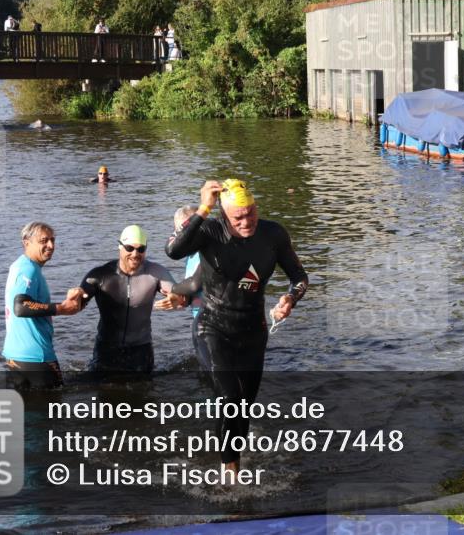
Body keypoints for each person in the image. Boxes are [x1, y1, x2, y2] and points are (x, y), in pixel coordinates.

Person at [164, 178, 308, 479]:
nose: (247, 222)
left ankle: (235, 456)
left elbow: (299, 277)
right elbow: (173, 251)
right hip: (212, 326)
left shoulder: (273, 234)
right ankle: (229, 473)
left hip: (253, 331)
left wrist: (289, 299)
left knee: (244, 406)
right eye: (238, 217)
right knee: (229, 399)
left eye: (251, 212)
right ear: (224, 215)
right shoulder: (209, 230)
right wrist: (204, 207)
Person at [72, 225, 176, 375]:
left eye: (141, 249)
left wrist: (177, 297)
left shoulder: (155, 272)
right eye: (129, 248)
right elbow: (76, 303)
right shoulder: (101, 274)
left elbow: (179, 295)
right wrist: (74, 298)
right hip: (107, 350)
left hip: (141, 350)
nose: (135, 254)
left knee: (145, 395)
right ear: (119, 247)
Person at [3, 222, 83, 389]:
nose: (51, 245)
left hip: (15, 358)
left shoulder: (19, 266)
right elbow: (21, 306)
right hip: (37, 358)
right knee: (52, 412)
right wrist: (61, 308)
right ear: (26, 243)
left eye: (53, 240)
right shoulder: (28, 269)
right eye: (44, 241)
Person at [171, 205, 210, 372]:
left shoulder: (207, 250)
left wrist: (174, 290)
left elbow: (195, 284)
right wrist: (185, 299)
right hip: (201, 317)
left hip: (213, 322)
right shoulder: (191, 254)